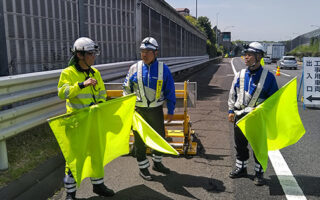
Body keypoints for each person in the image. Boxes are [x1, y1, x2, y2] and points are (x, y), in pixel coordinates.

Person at [57, 37, 115, 200]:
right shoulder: (68, 73)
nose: (94, 57)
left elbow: (102, 93)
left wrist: (101, 105)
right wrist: (82, 85)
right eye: (90, 54)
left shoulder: (95, 72)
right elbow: (62, 93)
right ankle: (70, 193)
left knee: (97, 154)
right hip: (77, 124)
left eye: (94, 53)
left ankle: (98, 185)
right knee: (75, 158)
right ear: (80, 55)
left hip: (94, 122)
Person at [123, 37, 176, 181]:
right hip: (139, 111)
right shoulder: (135, 68)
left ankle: (157, 163)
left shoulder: (163, 69)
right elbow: (126, 88)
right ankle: (143, 168)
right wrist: (128, 108)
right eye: (142, 51)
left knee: (159, 137)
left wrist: (170, 111)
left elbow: (170, 91)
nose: (144, 54)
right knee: (139, 140)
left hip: (156, 110)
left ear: (156, 52)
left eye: (148, 51)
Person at [227, 42, 278, 186]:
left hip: (258, 117)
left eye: (250, 55)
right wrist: (231, 111)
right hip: (240, 115)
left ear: (259, 56)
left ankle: (259, 173)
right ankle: (241, 168)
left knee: (258, 146)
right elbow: (232, 94)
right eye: (245, 55)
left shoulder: (269, 77)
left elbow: (273, 100)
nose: (246, 58)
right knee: (240, 144)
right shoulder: (240, 74)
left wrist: (262, 110)